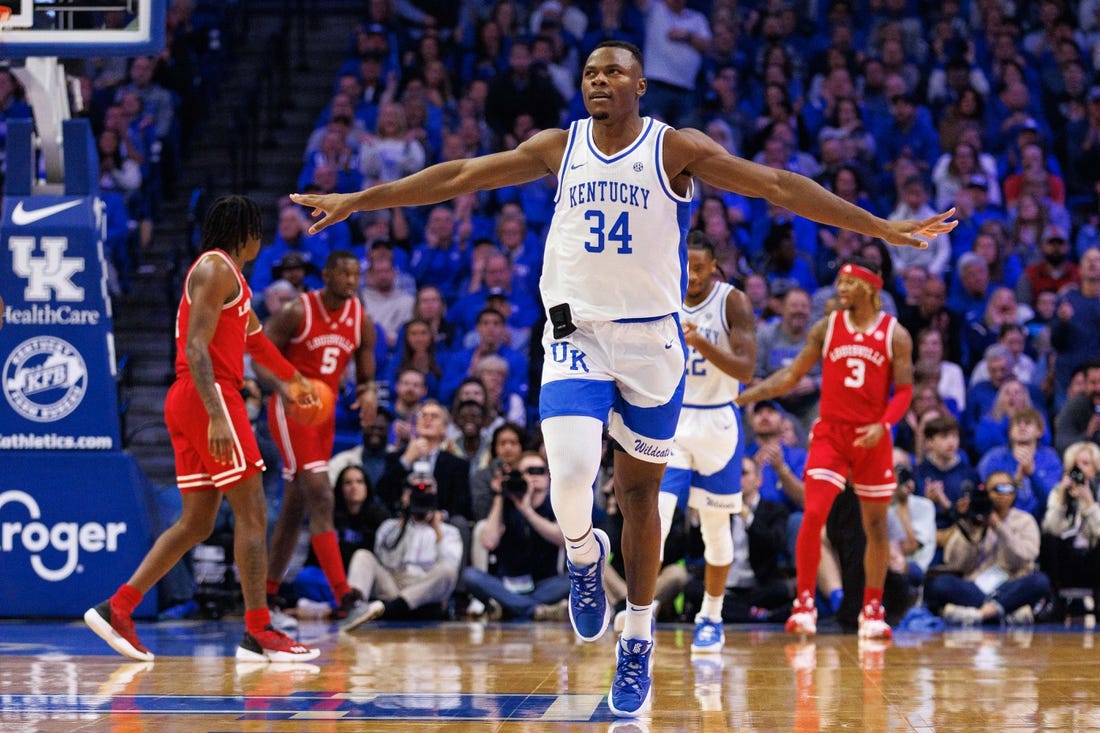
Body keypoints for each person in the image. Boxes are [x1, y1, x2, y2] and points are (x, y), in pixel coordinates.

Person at [291, 41, 954, 717]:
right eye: (590, 73)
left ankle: (635, 636)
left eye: (613, 72)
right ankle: (583, 555)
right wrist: (361, 200)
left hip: (652, 345)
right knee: (574, 471)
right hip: (577, 333)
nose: (600, 81)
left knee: (641, 498)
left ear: (640, 83)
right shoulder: (561, 144)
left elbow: (780, 185)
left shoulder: (675, 148)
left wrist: (877, 227)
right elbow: (463, 172)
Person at [84, 195, 320, 662]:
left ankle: (118, 608)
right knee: (253, 514)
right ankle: (259, 632)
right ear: (245, 232)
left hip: (193, 398)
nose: (261, 238)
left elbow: (256, 342)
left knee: (196, 522)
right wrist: (216, 412)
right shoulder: (215, 270)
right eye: (258, 230)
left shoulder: (231, 279)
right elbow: (196, 348)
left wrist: (293, 382)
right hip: (209, 396)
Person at [736, 260, 915, 641]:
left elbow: (904, 392)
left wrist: (883, 425)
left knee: (876, 526)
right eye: (839, 282)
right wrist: (744, 397)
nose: (840, 289)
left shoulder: (895, 335)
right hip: (831, 434)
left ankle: (872, 606)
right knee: (813, 514)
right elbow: (790, 376)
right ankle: (804, 605)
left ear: (870, 288)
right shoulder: (826, 326)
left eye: (849, 283)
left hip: (872, 438)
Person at [254, 250, 379, 624]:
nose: (351, 281)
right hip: (291, 410)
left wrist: (369, 390)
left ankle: (268, 596)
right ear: (326, 275)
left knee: (296, 504)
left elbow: (365, 370)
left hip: (323, 416)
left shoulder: (361, 320)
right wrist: (284, 386)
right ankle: (345, 597)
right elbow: (259, 356)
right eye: (344, 274)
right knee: (322, 495)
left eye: (356, 275)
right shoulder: (297, 311)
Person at [654, 231, 756, 653]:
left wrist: (699, 343)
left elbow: (746, 369)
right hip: (674, 420)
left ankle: (711, 616)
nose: (692, 274)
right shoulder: (663, 292)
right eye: (687, 265)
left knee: (716, 531)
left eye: (700, 267)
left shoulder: (732, 302)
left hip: (718, 422)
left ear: (714, 265)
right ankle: (640, 609)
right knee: (656, 516)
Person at [925, 471, 1051, 625]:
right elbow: (955, 561)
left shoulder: (1025, 520)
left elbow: (1027, 555)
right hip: (977, 587)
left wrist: (998, 526)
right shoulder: (975, 519)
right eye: (997, 489)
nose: (1003, 494)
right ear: (986, 493)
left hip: (1011, 584)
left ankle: (981, 614)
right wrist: (967, 524)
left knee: (1040, 581)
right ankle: (1005, 611)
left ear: (1014, 493)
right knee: (940, 584)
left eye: (1008, 489)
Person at [341, 472, 464, 628]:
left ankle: (395, 608)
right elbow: (387, 561)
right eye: (415, 490)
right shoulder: (390, 527)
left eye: (427, 489)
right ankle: (356, 607)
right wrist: (403, 522)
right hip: (394, 584)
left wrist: (437, 531)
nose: (421, 495)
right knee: (363, 556)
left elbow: (451, 567)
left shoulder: (448, 531)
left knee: (447, 570)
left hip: (425, 590)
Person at [461, 451, 570, 620]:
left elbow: (562, 539)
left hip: (544, 584)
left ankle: (510, 607)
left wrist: (527, 511)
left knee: (574, 579)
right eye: (528, 471)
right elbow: (489, 541)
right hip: (506, 583)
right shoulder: (505, 503)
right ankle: (535, 610)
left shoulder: (555, 504)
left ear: (548, 477)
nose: (534, 477)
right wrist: (500, 495)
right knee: (470, 576)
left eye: (539, 471)